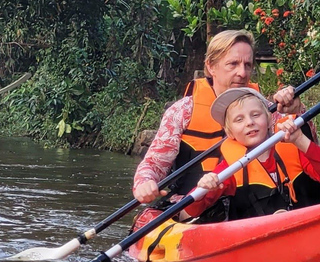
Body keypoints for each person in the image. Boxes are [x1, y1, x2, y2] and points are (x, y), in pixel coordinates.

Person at [133, 30, 310, 205]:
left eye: (247, 65)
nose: (242, 73)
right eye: (233, 64)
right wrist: (145, 182)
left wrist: (297, 111)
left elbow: (307, 148)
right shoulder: (183, 111)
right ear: (211, 66)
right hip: (192, 207)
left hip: (252, 207)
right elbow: (153, 165)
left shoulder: (265, 109)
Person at [183, 87, 320, 220]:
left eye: (256, 115)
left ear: (268, 120)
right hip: (261, 238)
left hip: (307, 229)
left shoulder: (293, 147)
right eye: (239, 119)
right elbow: (192, 209)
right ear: (230, 133)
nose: (249, 122)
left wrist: (301, 141)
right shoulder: (230, 168)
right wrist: (203, 187)